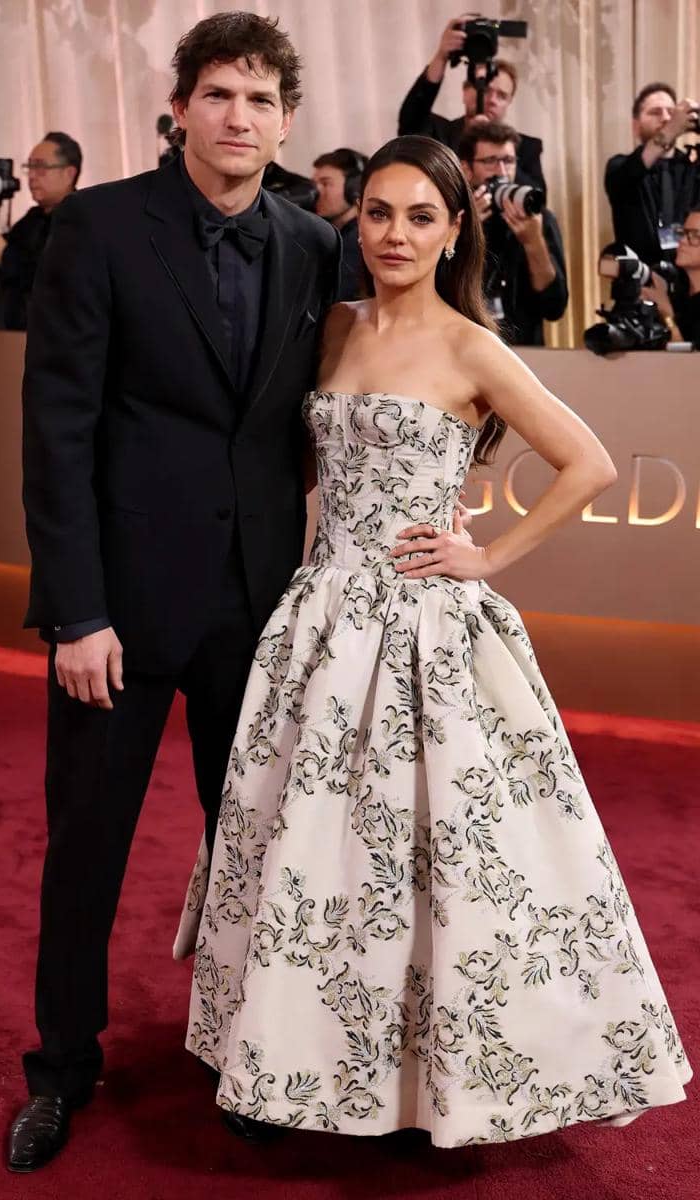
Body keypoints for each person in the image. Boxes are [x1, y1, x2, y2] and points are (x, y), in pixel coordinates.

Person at [181, 134, 691, 1146]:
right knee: (313, 854)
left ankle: (431, 1082)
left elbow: (585, 463)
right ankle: (295, 1066)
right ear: (354, 221)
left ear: (453, 229)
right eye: (376, 212)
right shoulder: (329, 326)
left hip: (425, 632)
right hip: (320, 621)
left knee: (434, 858)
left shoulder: (469, 345)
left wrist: (488, 557)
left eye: (419, 215)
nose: (393, 233)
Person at [10, 11, 339, 1175]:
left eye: (259, 100)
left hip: (257, 610)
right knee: (86, 845)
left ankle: (245, 1058)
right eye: (217, 96)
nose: (238, 117)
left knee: (251, 851)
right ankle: (60, 1067)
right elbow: (57, 430)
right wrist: (76, 611)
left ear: (285, 119)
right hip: (121, 612)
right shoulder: (96, 228)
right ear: (180, 109)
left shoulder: (309, 244)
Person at [398, 12, 546, 196]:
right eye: (486, 89)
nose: (492, 100)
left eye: (501, 95)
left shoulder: (526, 147)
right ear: (465, 92)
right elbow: (411, 118)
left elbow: (538, 198)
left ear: (509, 102)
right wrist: (442, 56)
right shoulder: (440, 134)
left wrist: (505, 159)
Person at [0, 131, 82, 330]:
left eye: (40, 167)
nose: (31, 175)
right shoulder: (32, 218)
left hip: (47, 336)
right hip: (7, 332)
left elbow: (24, 272)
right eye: (29, 166)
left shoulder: (79, 220)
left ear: (69, 173)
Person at [459, 121, 567, 344]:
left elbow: (554, 307)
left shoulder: (540, 218)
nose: (501, 172)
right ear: (466, 169)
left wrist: (533, 242)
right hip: (466, 349)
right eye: (490, 161)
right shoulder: (453, 220)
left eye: (508, 161)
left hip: (525, 353)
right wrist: (466, 233)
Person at [605, 83, 700, 265]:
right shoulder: (619, 167)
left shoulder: (692, 168)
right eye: (655, 112)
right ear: (636, 125)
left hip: (688, 282)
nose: (665, 118)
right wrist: (671, 128)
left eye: (671, 113)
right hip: (639, 282)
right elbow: (633, 170)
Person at [642, 205, 700, 347]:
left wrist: (666, 313)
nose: (682, 241)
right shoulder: (676, 293)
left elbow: (687, 364)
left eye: (695, 236)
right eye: (683, 233)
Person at [312, 148, 367, 299]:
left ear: (353, 189)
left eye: (325, 183)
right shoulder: (333, 235)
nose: (315, 192)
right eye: (314, 185)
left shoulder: (358, 239)